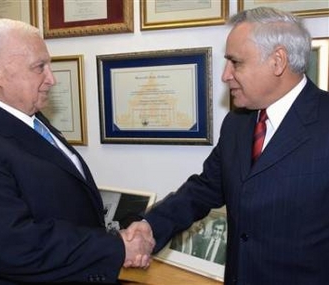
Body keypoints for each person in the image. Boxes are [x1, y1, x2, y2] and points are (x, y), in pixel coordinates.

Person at [127, 7, 329, 285]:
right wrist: (150, 226)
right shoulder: (238, 123)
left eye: (236, 62)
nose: (225, 75)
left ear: (278, 61)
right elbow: (204, 188)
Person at [0, 19, 154, 285]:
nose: (52, 79)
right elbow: (15, 246)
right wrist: (117, 247)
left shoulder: (27, 114)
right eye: (39, 67)